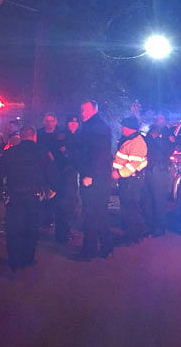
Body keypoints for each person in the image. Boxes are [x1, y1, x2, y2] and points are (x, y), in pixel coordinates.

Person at [0, 127, 57, 271]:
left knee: (13, 228)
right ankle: (28, 258)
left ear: (21, 137)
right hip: (34, 197)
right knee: (32, 228)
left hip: (14, 196)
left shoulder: (10, 153)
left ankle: (14, 260)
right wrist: (52, 189)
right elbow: (52, 173)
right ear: (34, 137)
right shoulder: (42, 153)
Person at [76, 100, 114, 260]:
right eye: (81, 110)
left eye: (85, 110)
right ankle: (106, 245)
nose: (82, 113)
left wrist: (89, 175)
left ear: (93, 110)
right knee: (99, 213)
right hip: (98, 177)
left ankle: (89, 251)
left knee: (90, 213)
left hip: (94, 178)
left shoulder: (96, 127)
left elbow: (99, 153)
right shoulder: (94, 126)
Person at [112, 116, 148, 245]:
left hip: (131, 181)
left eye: (123, 126)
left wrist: (118, 173)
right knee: (129, 207)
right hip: (127, 180)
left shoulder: (137, 143)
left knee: (130, 208)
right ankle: (132, 233)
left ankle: (132, 236)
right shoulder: (129, 140)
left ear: (129, 128)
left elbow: (132, 165)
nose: (121, 128)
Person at [143, 113, 174, 237]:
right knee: (147, 199)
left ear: (165, 121)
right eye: (156, 118)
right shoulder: (150, 132)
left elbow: (169, 149)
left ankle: (159, 227)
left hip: (160, 170)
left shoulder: (168, 134)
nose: (158, 120)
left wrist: (157, 139)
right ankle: (150, 225)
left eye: (161, 118)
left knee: (159, 200)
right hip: (149, 169)